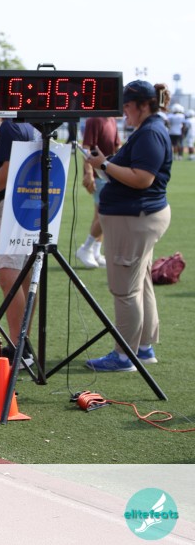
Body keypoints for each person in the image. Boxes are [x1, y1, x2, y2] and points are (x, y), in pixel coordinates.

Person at [82, 80, 172, 371]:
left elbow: (142, 178)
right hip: (138, 216)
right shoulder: (149, 129)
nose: (124, 111)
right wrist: (105, 165)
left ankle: (125, 355)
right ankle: (142, 348)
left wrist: (103, 165)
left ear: (144, 105)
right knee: (139, 283)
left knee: (125, 290)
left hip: (135, 218)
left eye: (128, 105)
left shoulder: (150, 132)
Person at [0, 118, 41, 368]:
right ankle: (22, 342)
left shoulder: (12, 126)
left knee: (9, 275)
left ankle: (18, 347)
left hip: (14, 204)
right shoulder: (35, 126)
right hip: (34, 201)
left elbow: (9, 168)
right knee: (26, 277)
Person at [76, 116, 121, 269]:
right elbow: (86, 148)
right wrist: (89, 173)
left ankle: (95, 251)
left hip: (108, 172)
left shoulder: (112, 120)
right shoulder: (95, 120)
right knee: (102, 213)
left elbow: (117, 146)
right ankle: (86, 248)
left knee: (102, 213)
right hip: (98, 174)